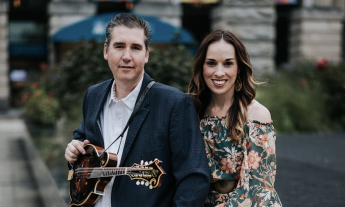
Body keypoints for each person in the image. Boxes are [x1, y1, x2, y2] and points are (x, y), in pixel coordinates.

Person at [64, 13, 210, 207]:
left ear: (146, 54)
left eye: (135, 48)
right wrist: (75, 149)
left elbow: (194, 179)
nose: (127, 56)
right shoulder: (93, 95)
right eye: (119, 46)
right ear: (106, 51)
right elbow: (82, 137)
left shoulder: (174, 104)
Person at [188, 30, 282, 207]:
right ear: (202, 67)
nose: (219, 72)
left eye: (228, 63)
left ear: (239, 68)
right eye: (211, 63)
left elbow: (258, 188)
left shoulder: (256, 115)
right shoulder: (192, 112)